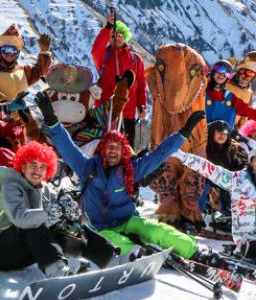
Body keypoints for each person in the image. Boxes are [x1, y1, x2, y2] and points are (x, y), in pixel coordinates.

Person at [37, 91, 208, 259]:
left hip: (128, 221)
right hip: (101, 228)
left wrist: (183, 133)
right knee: (113, 243)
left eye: (117, 147)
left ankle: (194, 250)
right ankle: (139, 253)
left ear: (123, 151)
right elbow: (67, 147)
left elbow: (159, 154)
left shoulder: (131, 169)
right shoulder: (87, 167)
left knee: (156, 230)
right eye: (109, 147)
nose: (113, 150)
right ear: (102, 150)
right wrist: (52, 120)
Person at [0, 141, 71, 277]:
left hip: (19, 254)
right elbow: (21, 218)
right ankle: (57, 271)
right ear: (23, 166)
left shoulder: (44, 189)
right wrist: (51, 211)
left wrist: (69, 209)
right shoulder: (10, 186)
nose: (38, 171)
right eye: (33, 165)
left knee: (65, 226)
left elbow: (59, 212)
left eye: (42, 167)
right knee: (32, 223)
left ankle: (101, 259)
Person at [91, 9, 147, 145]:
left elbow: (141, 85)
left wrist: (141, 105)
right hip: (106, 111)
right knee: (103, 147)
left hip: (128, 113)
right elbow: (95, 50)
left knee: (127, 149)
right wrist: (108, 27)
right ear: (109, 37)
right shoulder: (104, 56)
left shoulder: (136, 59)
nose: (118, 37)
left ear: (125, 37)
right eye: (114, 34)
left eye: (121, 34)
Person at [204, 60, 256, 131]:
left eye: (226, 73)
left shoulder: (230, 96)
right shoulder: (202, 89)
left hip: (221, 135)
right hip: (201, 132)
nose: (222, 75)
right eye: (220, 70)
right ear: (213, 71)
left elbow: (246, 109)